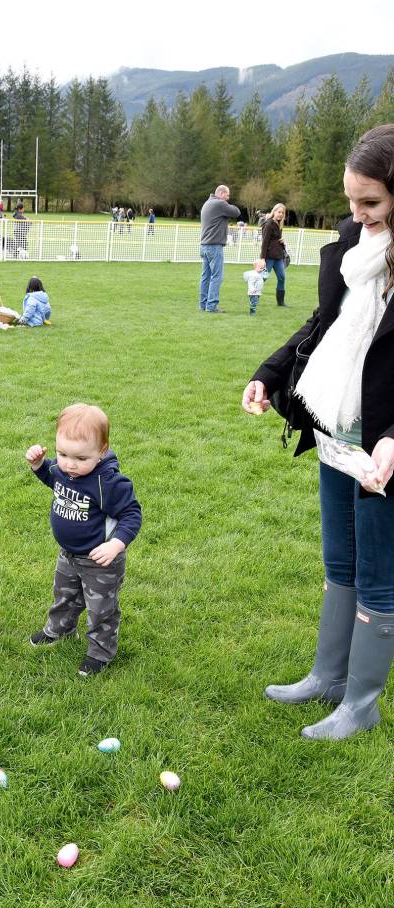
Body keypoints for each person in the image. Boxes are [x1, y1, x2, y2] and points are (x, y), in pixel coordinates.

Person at [242, 123, 394, 740]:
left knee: (380, 567)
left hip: (385, 441)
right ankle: (329, 676)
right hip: (336, 423)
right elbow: (323, 322)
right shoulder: (353, 247)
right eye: (351, 201)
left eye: (372, 204)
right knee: (341, 555)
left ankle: (362, 700)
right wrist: (268, 372)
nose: (357, 216)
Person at [25, 403, 142, 676]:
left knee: (101, 608)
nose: (68, 464)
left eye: (80, 458)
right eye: (62, 454)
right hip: (68, 554)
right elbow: (54, 481)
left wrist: (116, 544)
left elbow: (132, 515)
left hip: (100, 561)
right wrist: (39, 465)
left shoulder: (108, 483)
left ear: (101, 452)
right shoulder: (66, 471)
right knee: (64, 595)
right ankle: (59, 630)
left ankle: (100, 652)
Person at [199, 185, 240, 313]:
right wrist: (225, 204)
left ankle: (203, 304)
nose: (227, 199)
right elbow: (236, 212)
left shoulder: (207, 203)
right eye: (227, 196)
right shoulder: (219, 204)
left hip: (204, 245)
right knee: (217, 276)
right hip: (214, 246)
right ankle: (211, 306)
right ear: (221, 193)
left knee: (205, 276)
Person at [259, 202, 288, 306]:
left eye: (282, 212)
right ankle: (253, 296)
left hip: (278, 257)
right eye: (279, 211)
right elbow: (265, 242)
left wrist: (282, 242)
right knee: (263, 278)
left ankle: (281, 303)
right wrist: (262, 258)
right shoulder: (268, 224)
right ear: (274, 212)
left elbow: (275, 240)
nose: (280, 214)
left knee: (282, 278)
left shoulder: (278, 224)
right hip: (269, 257)